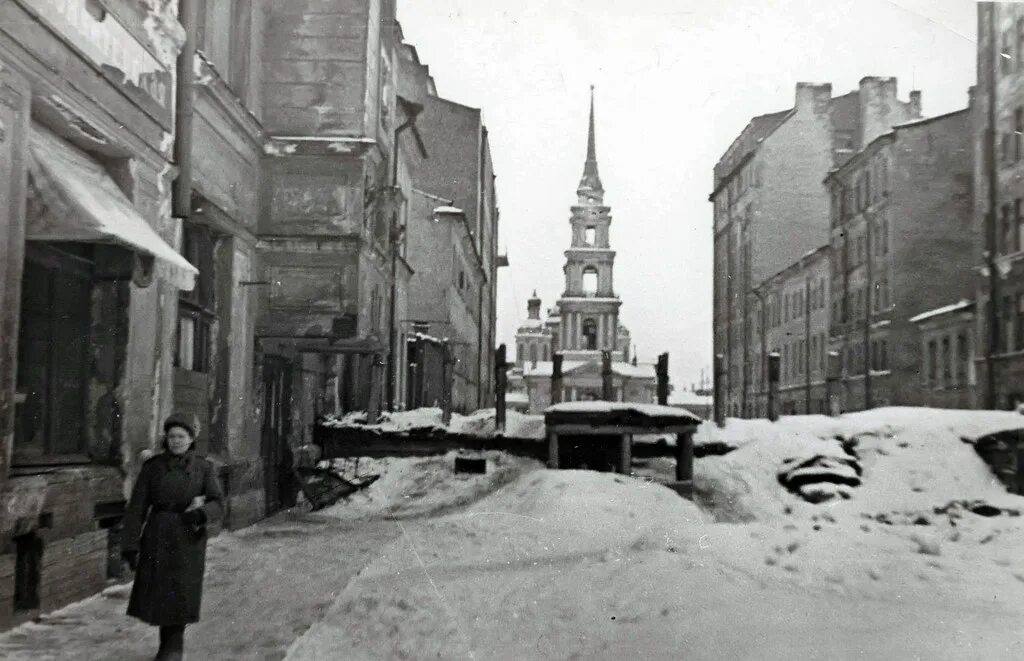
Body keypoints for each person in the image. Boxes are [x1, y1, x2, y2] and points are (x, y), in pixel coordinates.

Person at [121, 413, 224, 660]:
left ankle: (171, 650)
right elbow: (137, 507)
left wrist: (200, 514)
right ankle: (168, 648)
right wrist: (130, 544)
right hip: (158, 535)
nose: (176, 441)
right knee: (160, 593)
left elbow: (218, 503)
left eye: (181, 436)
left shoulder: (204, 468)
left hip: (189, 538)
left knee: (181, 592)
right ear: (166, 439)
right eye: (172, 436)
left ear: (191, 439)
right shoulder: (153, 468)